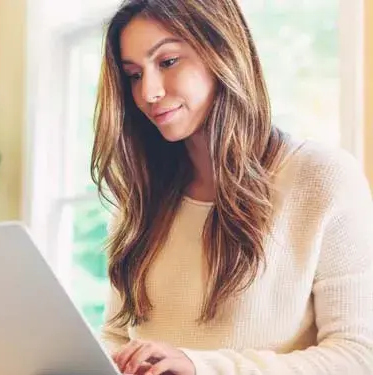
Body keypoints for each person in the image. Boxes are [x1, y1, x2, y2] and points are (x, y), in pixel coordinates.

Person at [89, 1, 373, 374]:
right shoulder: (141, 199)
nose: (149, 92)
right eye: (134, 75)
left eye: (168, 61)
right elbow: (118, 336)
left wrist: (200, 366)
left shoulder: (323, 178)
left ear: (223, 51)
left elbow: (357, 356)